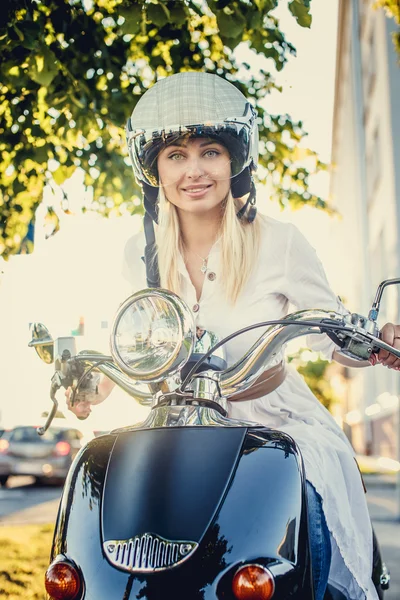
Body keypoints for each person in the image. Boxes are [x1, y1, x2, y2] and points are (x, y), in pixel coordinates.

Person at [66, 72, 400, 599]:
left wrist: (380, 339)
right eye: (176, 155)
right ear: (153, 167)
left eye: (211, 151)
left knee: (302, 478)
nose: (194, 170)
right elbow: (140, 333)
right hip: (179, 423)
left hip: (274, 420)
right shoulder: (140, 252)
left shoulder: (280, 242)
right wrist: (94, 387)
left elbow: (329, 329)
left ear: (234, 161)